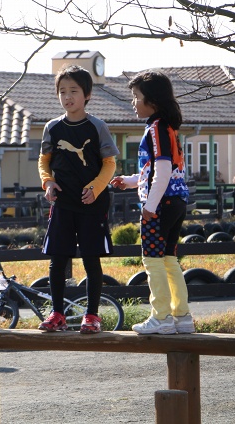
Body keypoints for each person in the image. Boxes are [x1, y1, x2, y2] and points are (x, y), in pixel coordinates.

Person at [37, 65, 119, 334]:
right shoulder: (52, 127)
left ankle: (92, 316)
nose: (67, 96)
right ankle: (57, 314)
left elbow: (109, 164)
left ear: (87, 95)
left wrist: (95, 187)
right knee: (57, 259)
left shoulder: (98, 127)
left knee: (91, 260)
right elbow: (44, 161)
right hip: (62, 203)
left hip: (91, 203)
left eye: (73, 91)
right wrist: (47, 182)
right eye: (62, 91)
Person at [111, 71, 194, 335]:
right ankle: (182, 317)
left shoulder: (155, 128)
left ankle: (160, 317)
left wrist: (150, 206)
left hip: (161, 205)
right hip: (176, 201)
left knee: (152, 261)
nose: (133, 102)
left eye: (136, 97)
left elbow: (163, 170)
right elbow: (155, 171)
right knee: (169, 260)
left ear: (153, 101)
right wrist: (130, 180)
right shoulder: (168, 127)